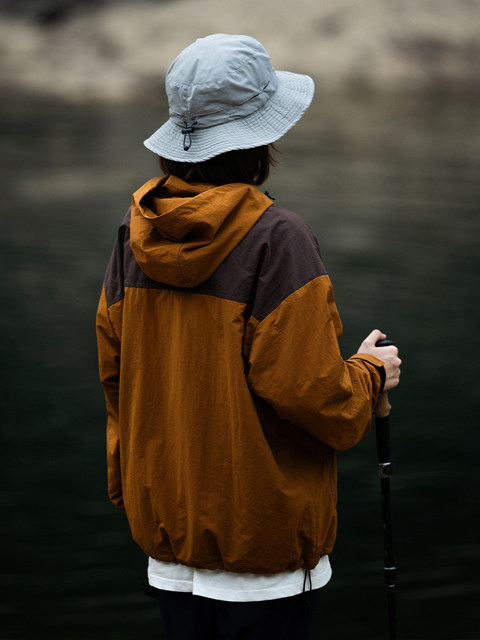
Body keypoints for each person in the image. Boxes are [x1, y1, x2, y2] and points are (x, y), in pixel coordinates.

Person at [96, 34, 401, 640]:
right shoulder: (277, 236)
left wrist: (138, 487)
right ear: (260, 138)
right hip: (262, 540)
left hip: (170, 532)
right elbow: (311, 393)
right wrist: (370, 374)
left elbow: (116, 377)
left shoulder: (135, 232)